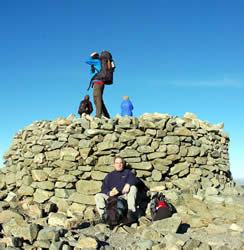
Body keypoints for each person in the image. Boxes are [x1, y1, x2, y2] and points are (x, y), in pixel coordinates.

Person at [95, 156, 138, 222]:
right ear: (114, 164)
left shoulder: (128, 172)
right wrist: (109, 193)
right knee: (98, 196)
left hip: (124, 196)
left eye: (121, 163)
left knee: (133, 188)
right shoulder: (110, 175)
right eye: (117, 163)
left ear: (123, 164)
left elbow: (135, 180)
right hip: (112, 197)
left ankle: (131, 212)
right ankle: (104, 215)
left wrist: (128, 184)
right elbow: (104, 188)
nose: (119, 165)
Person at [85, 52, 110, 119]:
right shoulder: (99, 62)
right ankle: (105, 115)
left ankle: (98, 115)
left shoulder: (97, 61)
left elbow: (87, 61)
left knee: (97, 99)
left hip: (98, 82)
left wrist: (91, 55)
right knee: (99, 99)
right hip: (99, 82)